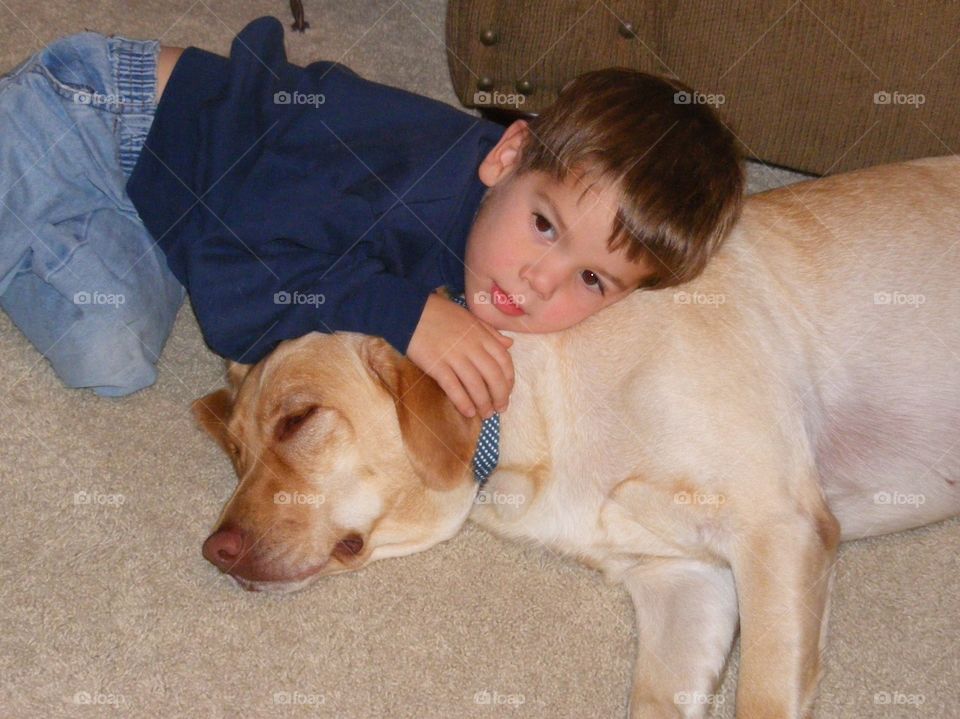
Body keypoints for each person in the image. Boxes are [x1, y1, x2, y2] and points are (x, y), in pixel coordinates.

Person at [0, 15, 743, 417]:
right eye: (545, 226)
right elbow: (235, 288)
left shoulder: (494, 217)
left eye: (592, 279)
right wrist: (404, 312)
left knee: (120, 347)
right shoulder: (404, 183)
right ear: (508, 155)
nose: (540, 280)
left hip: (167, 204)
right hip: (93, 116)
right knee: (105, 348)